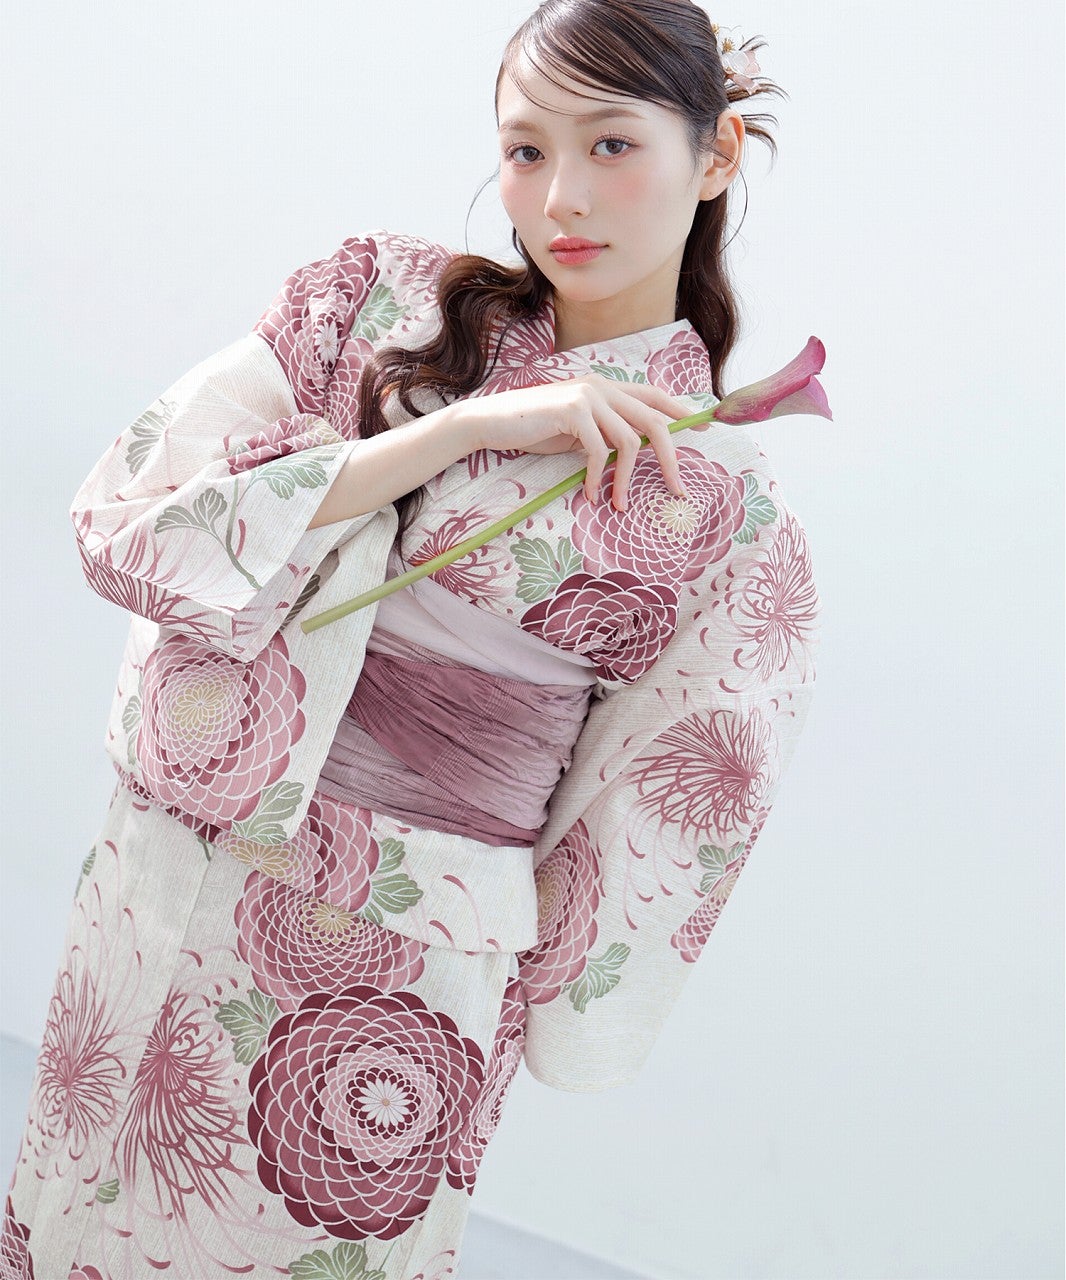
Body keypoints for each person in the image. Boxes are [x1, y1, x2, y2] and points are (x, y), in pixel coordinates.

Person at [1, 2, 822, 1277]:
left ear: (714, 157)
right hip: (175, 861)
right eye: (526, 149)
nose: (561, 197)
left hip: (406, 939)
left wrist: (530, 979)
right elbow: (128, 518)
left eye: (611, 145)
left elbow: (673, 801)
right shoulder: (372, 299)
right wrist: (458, 430)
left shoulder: (725, 508)